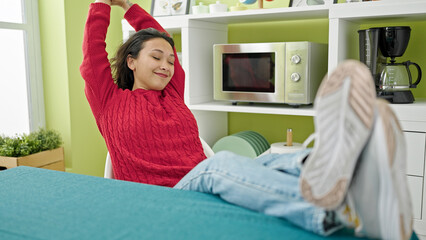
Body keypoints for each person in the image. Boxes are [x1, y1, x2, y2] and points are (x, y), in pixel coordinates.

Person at [80, 1, 413, 239]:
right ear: (132, 62)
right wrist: (105, 5)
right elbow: (92, 53)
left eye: (171, 59)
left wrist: (133, 8)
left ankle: (358, 174)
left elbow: (163, 38)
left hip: (198, 183)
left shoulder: (173, 92)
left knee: (274, 159)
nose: (167, 66)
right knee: (217, 165)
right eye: (156, 57)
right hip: (163, 198)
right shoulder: (109, 101)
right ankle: (328, 213)